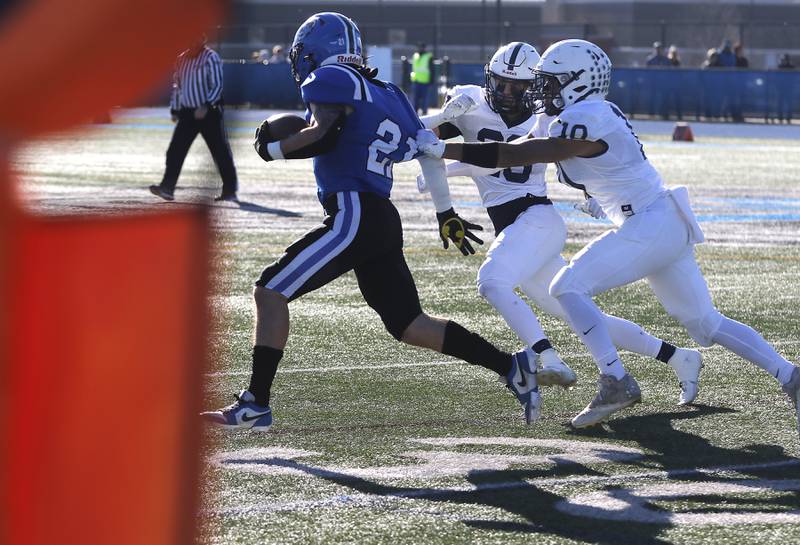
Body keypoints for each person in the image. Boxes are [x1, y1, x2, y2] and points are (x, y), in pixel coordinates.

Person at [416, 39, 800, 433]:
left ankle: (615, 380)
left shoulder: (585, 115)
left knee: (567, 287)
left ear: (578, 82)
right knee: (704, 324)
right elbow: (546, 155)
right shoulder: (575, 114)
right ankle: (792, 377)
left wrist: (446, 149)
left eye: (552, 82)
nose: (542, 91)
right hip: (657, 220)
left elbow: (515, 155)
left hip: (651, 221)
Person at [201, 12, 542, 431]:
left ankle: (255, 404)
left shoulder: (329, 79)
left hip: (355, 212)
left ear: (314, 54)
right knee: (409, 324)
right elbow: (429, 149)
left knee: (270, 292)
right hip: (381, 217)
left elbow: (323, 133)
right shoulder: (392, 93)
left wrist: (273, 149)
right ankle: (512, 367)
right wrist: (444, 211)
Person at [417, 42, 702, 404]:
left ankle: (548, 358)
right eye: (501, 83)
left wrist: (591, 196)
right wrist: (441, 120)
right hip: (517, 227)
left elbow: (509, 155)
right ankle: (677, 357)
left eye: (517, 86)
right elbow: (420, 141)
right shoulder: (469, 102)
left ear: (534, 84)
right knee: (574, 313)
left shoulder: (547, 120)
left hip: (535, 217)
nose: (507, 93)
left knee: (492, 282)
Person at [149, 35, 238, 202]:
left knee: (219, 152)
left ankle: (229, 189)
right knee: (175, 150)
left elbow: (217, 85)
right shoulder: (181, 59)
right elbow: (178, 86)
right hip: (188, 112)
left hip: (209, 112)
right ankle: (167, 187)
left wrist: (206, 105)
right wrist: (175, 109)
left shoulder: (211, 57)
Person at [410, 43, 434, 115]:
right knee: (415, 99)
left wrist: (431, 80)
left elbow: (432, 69)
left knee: (424, 100)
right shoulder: (415, 56)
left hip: (424, 81)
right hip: (415, 80)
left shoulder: (428, 57)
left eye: (422, 47)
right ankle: (414, 113)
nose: (420, 49)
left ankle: (424, 113)